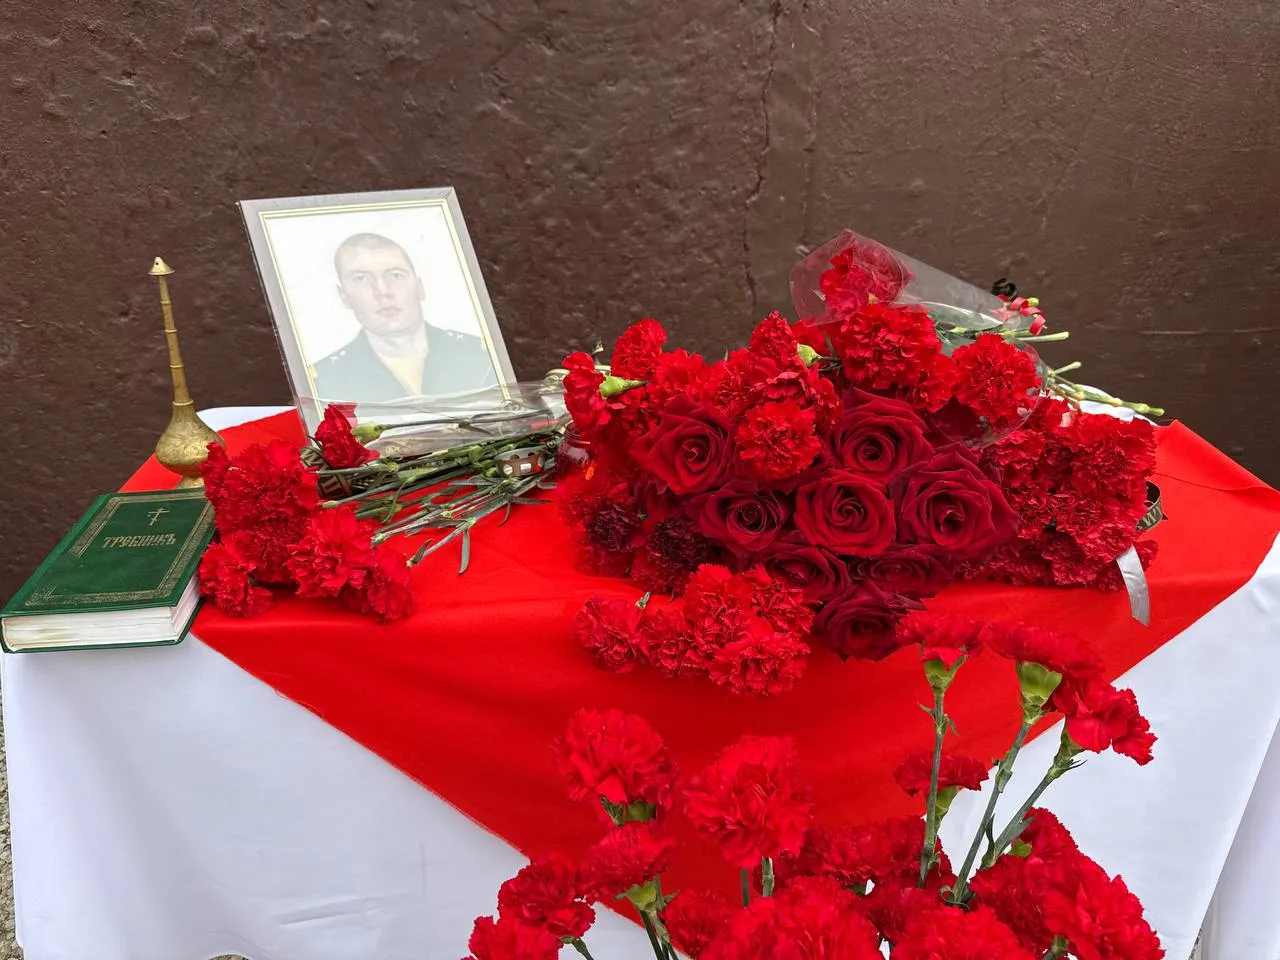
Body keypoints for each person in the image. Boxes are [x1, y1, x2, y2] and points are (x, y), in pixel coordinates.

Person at [311, 232, 499, 403]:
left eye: (395, 275)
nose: (383, 291)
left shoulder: (484, 356)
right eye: (361, 278)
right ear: (344, 296)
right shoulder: (322, 383)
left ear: (419, 287)